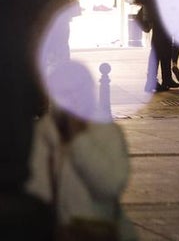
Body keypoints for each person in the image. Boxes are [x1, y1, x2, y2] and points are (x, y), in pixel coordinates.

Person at [25, 61, 136, 239]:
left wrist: (79, 141)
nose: (72, 100)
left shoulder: (105, 132)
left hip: (99, 230)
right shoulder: (45, 133)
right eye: (64, 93)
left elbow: (110, 186)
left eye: (77, 91)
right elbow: (36, 191)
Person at [132, 0, 177, 93]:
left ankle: (165, 78)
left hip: (155, 12)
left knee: (161, 46)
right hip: (162, 12)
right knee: (160, 47)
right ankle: (153, 80)